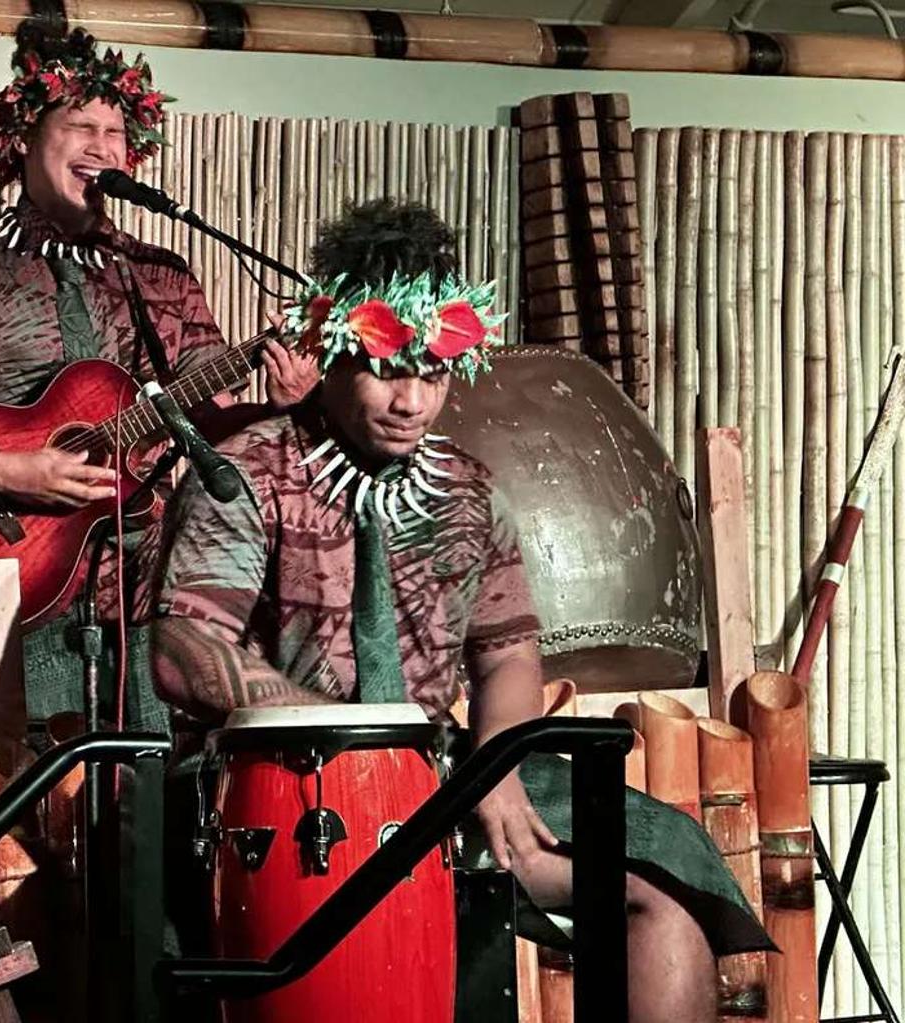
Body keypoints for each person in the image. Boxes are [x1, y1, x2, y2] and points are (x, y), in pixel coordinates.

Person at [150, 198, 771, 1022]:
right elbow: (181, 645)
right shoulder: (248, 472)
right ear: (330, 352)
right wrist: (363, 737)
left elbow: (508, 651)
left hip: (446, 780)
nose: (412, 400)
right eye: (387, 368)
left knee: (659, 889)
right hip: (275, 794)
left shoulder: (469, 493)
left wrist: (496, 770)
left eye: (432, 372)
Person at [0, 26, 317, 729]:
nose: (101, 145)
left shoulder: (162, 276)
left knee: (153, 810)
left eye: (115, 131)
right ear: (24, 138)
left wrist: (284, 411)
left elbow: (211, 422)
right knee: (37, 821)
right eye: (80, 124)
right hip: (16, 585)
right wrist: (0, 468)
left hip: (151, 598)